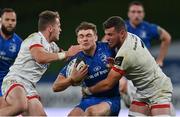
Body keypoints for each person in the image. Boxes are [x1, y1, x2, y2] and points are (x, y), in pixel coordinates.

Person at [82, 16, 175, 116]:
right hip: (142, 91)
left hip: (158, 90)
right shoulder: (130, 36)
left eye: (110, 35)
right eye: (106, 34)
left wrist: (89, 90)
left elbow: (108, 83)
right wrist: (116, 66)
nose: (107, 38)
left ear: (122, 33)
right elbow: (131, 64)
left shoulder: (125, 53)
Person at [0, 10, 82, 116]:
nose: (60, 30)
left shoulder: (52, 46)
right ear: (50, 28)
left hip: (29, 87)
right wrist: (66, 53)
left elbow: (67, 55)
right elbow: (40, 57)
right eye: (59, 26)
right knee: (20, 105)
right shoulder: (35, 38)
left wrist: (81, 49)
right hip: (15, 80)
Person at [52, 22, 121, 116]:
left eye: (88, 35)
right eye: (81, 36)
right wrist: (71, 79)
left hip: (111, 98)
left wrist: (116, 67)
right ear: (78, 40)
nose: (85, 39)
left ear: (95, 37)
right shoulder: (76, 60)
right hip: (89, 99)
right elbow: (55, 87)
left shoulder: (109, 49)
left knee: (91, 112)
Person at [119, 1, 172, 108]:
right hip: (123, 68)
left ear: (143, 14)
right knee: (122, 86)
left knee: (145, 101)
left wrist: (160, 60)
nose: (136, 15)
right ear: (129, 14)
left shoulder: (148, 28)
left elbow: (167, 38)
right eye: (133, 12)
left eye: (139, 12)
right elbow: (106, 42)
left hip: (143, 69)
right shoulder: (120, 27)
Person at [0, 8, 22, 96]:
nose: (10, 23)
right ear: (1, 20)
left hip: (4, 83)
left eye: (13, 20)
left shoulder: (19, 43)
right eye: (7, 19)